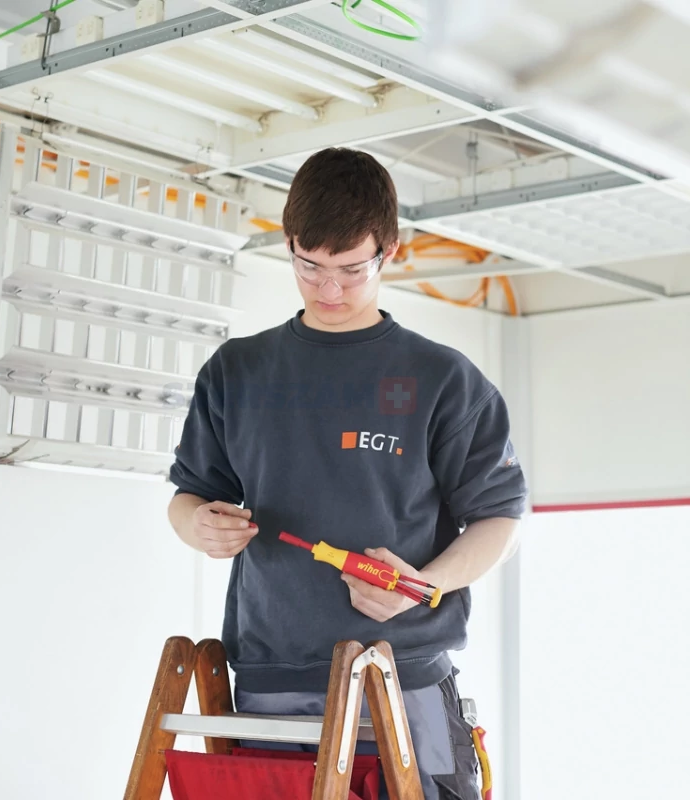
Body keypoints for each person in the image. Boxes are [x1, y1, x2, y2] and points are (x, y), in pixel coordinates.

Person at [167, 147, 528, 799]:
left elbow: (501, 521)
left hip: (399, 678)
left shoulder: (442, 379)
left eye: (351, 270)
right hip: (269, 681)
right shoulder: (237, 371)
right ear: (288, 243)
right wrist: (197, 524)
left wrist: (421, 586)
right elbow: (190, 494)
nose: (328, 290)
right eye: (309, 266)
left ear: (389, 250)